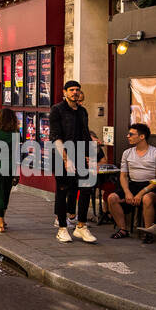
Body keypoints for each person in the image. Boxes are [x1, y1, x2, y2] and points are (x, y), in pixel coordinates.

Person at [50, 80, 99, 243]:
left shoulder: (82, 111)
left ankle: (81, 226)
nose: (75, 92)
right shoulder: (57, 110)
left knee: (86, 189)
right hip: (61, 156)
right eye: (71, 90)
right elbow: (55, 136)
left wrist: (90, 156)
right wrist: (65, 159)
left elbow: (85, 134)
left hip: (80, 155)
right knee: (63, 190)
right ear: (65, 92)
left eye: (77, 90)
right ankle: (62, 228)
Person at [107, 124, 156, 239]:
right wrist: (127, 192)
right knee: (112, 198)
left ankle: (149, 233)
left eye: (131, 134)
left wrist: (141, 193)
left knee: (146, 198)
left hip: (152, 186)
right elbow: (123, 176)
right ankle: (123, 229)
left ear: (142, 136)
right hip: (133, 184)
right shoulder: (127, 153)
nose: (128, 136)